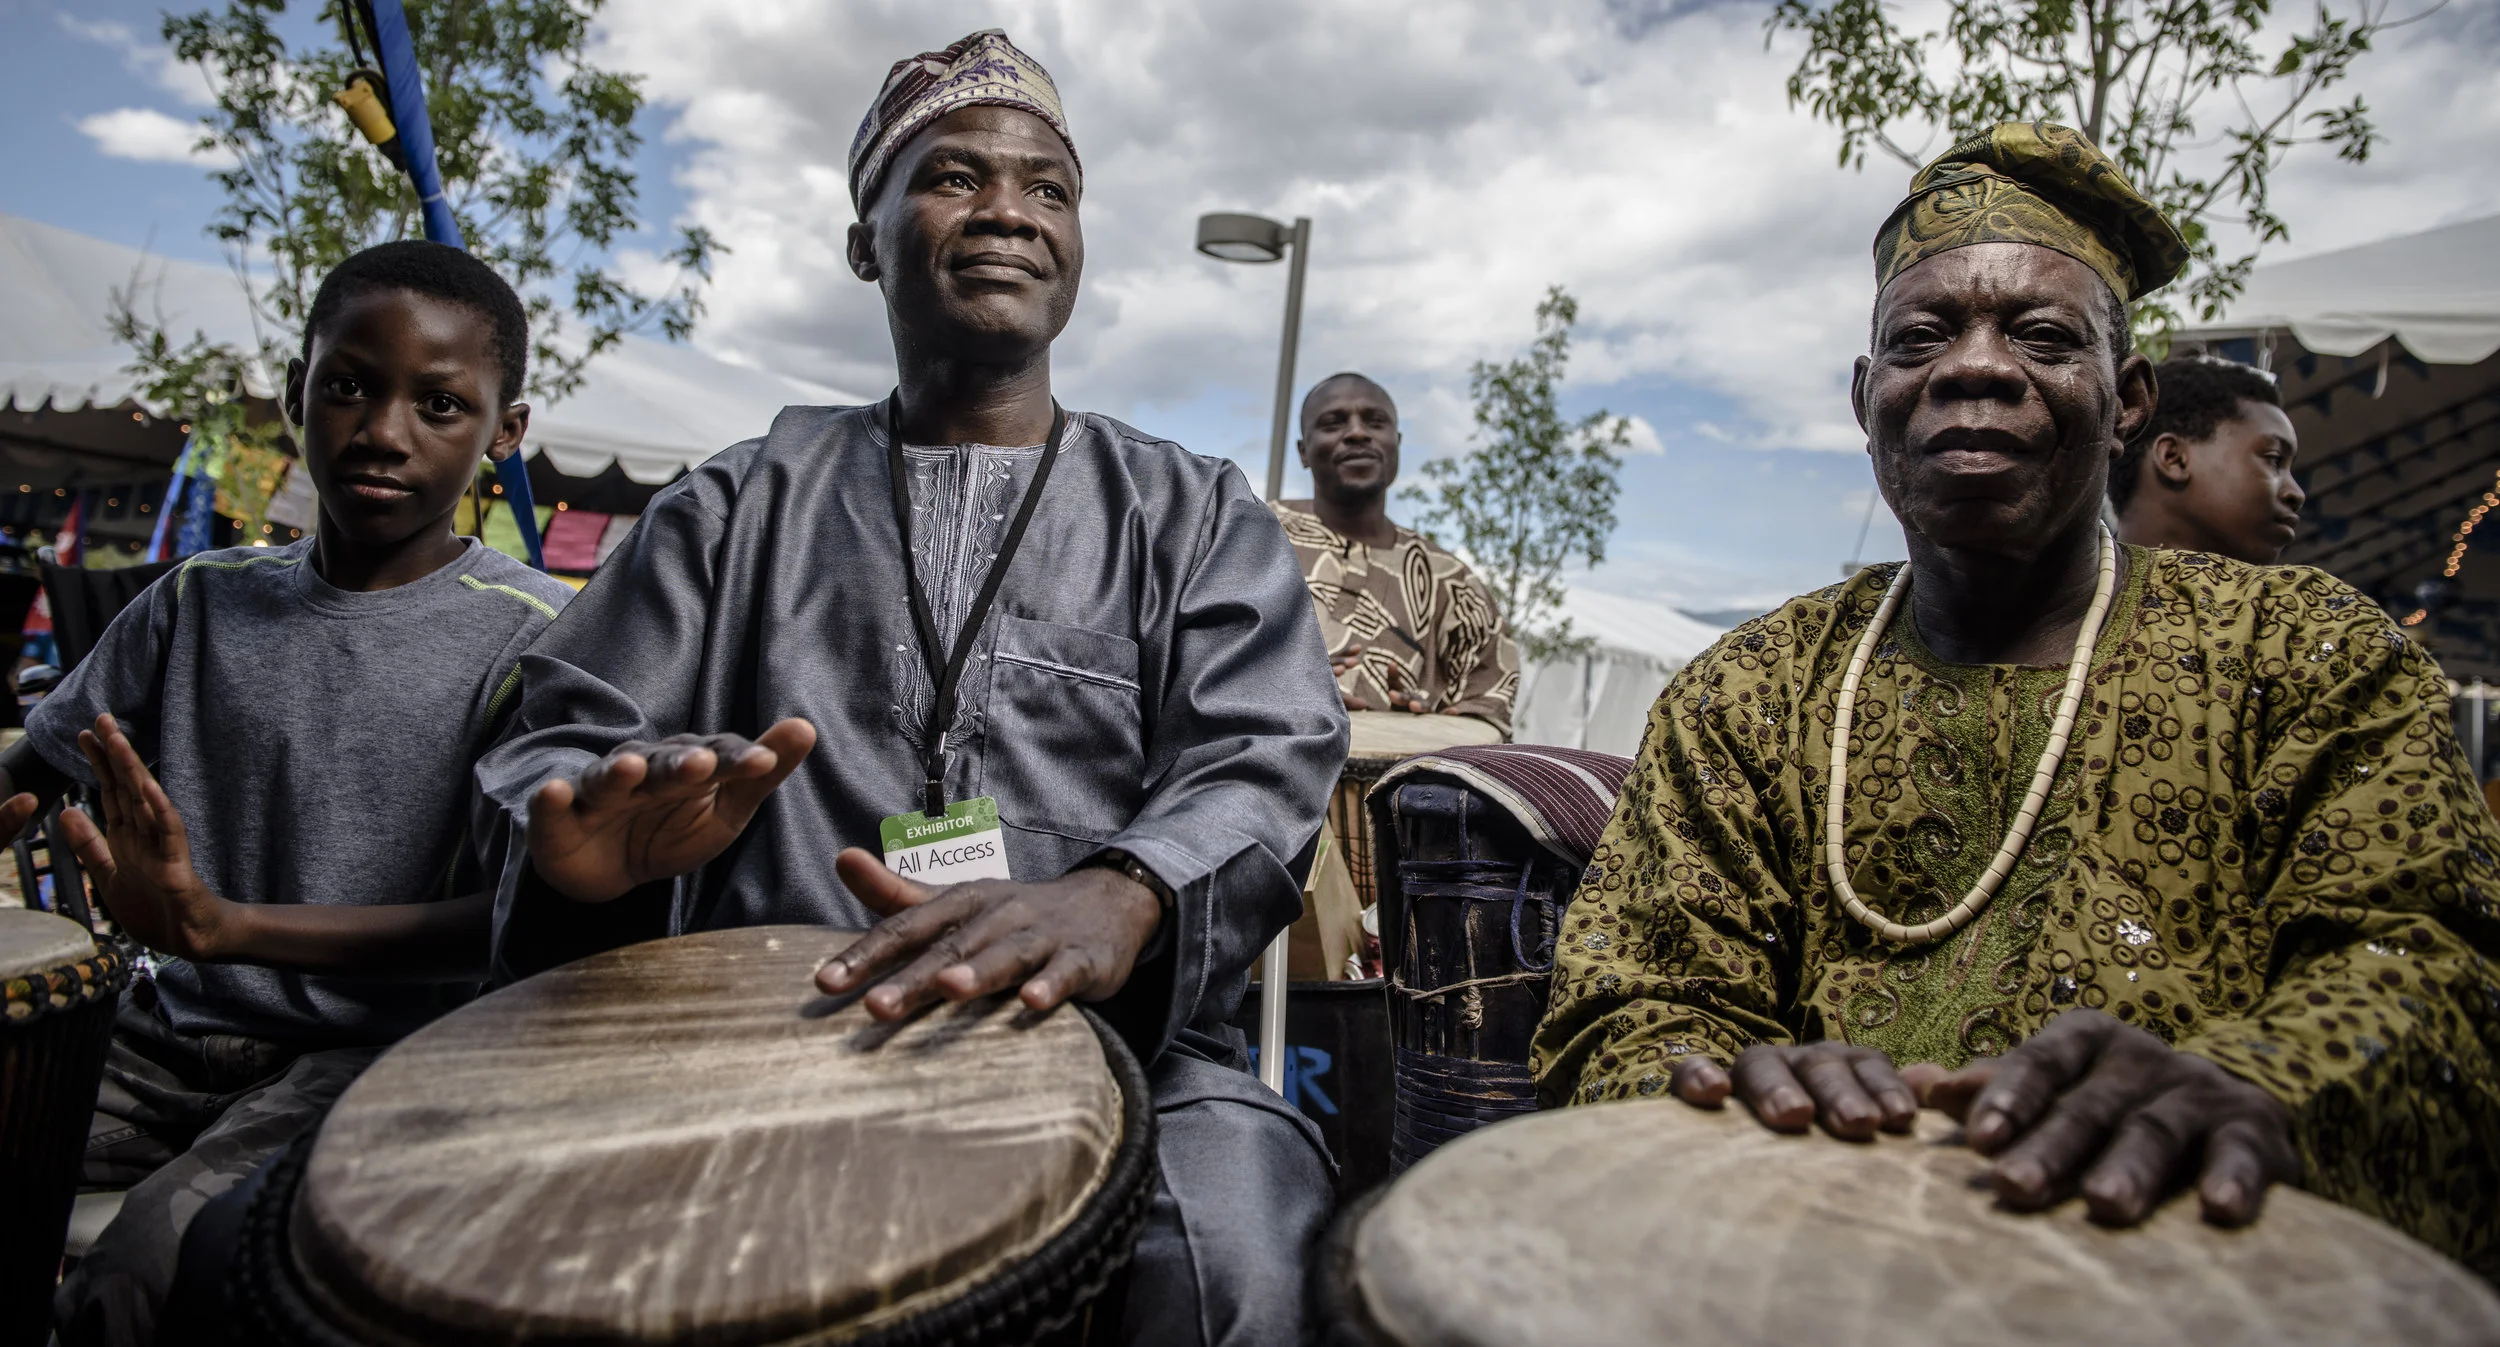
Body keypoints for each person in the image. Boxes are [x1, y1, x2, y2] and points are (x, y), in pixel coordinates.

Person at [475, 31, 1343, 1345]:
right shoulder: (735, 502)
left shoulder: (1191, 513)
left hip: (1125, 1051)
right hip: (773, 1038)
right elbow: (566, 733)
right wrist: (589, 862)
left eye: (1049, 188)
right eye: (953, 175)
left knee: (1230, 1241)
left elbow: (1268, 748)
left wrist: (1127, 884)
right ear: (865, 238)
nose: (1009, 210)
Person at [1532, 122, 2500, 1281]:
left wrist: (2253, 1082)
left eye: (2041, 336)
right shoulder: (1747, 694)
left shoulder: (2305, 657)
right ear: (1865, 397)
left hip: (2189, 1269)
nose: (1975, 366)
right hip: (1819, 1263)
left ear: (2129, 399)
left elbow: (2431, 963)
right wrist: (1716, 1084)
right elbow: (1628, 999)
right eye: (1920, 337)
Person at [12, 240, 574, 1345]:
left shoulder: (540, 640)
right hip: (163, 1027)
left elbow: (509, 926)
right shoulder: (198, 601)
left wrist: (225, 926)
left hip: (372, 1057)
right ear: (295, 395)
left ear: (505, 433)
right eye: (349, 386)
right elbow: (35, 769)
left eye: (442, 403)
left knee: (144, 1271)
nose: (381, 431)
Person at [1275, 372, 1519, 735]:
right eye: (1333, 423)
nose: (1357, 433)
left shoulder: (1452, 582)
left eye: (1375, 422)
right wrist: (1280, 686)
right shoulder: (1252, 539)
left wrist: (1426, 717)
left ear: (1397, 443)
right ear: (1303, 451)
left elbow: (1486, 715)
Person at [2110, 356, 2304, 564]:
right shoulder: (2080, 593)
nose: (2296, 494)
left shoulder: (2309, 594)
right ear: (2174, 458)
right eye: (2274, 460)